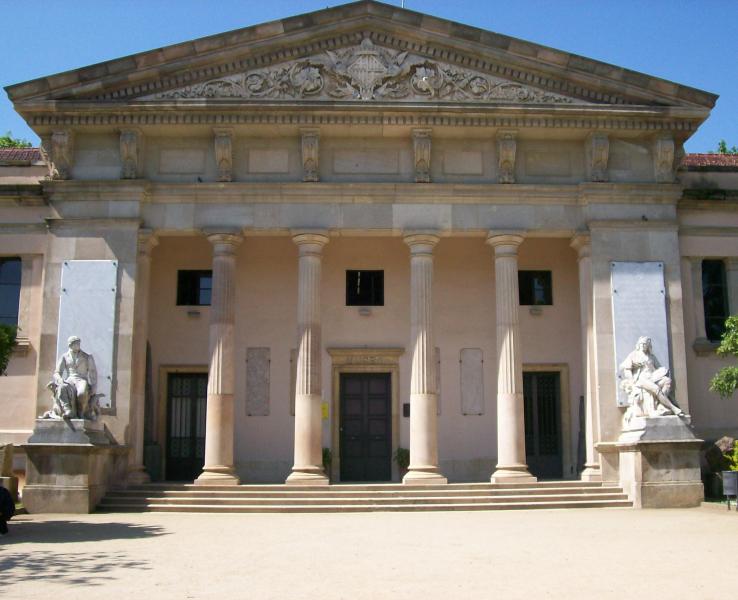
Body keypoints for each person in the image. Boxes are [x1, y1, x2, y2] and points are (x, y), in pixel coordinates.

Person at [620, 336, 685, 420]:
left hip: (653, 377)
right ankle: (673, 408)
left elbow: (659, 368)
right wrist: (632, 381)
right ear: (638, 345)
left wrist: (663, 371)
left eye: (646, 344)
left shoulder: (651, 357)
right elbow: (627, 369)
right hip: (641, 379)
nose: (643, 346)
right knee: (656, 388)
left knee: (667, 381)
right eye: (642, 344)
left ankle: (661, 404)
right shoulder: (633, 355)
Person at [49, 335, 98, 419]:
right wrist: (59, 379)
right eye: (76, 343)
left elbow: (93, 372)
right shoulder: (64, 357)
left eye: (78, 343)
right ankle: (68, 410)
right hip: (70, 379)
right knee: (62, 387)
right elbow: (57, 372)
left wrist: (94, 386)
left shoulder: (87, 356)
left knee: (82, 393)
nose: (78, 345)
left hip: (81, 379)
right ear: (70, 345)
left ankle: (81, 412)